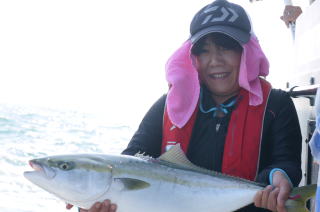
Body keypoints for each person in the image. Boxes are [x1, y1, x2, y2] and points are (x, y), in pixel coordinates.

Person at [68, 0, 302, 211]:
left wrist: (279, 178)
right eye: (204, 50)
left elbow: (286, 160)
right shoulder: (170, 104)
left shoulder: (276, 104)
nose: (215, 61)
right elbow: (132, 159)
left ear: (246, 52)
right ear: (193, 58)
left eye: (225, 47)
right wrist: (94, 197)